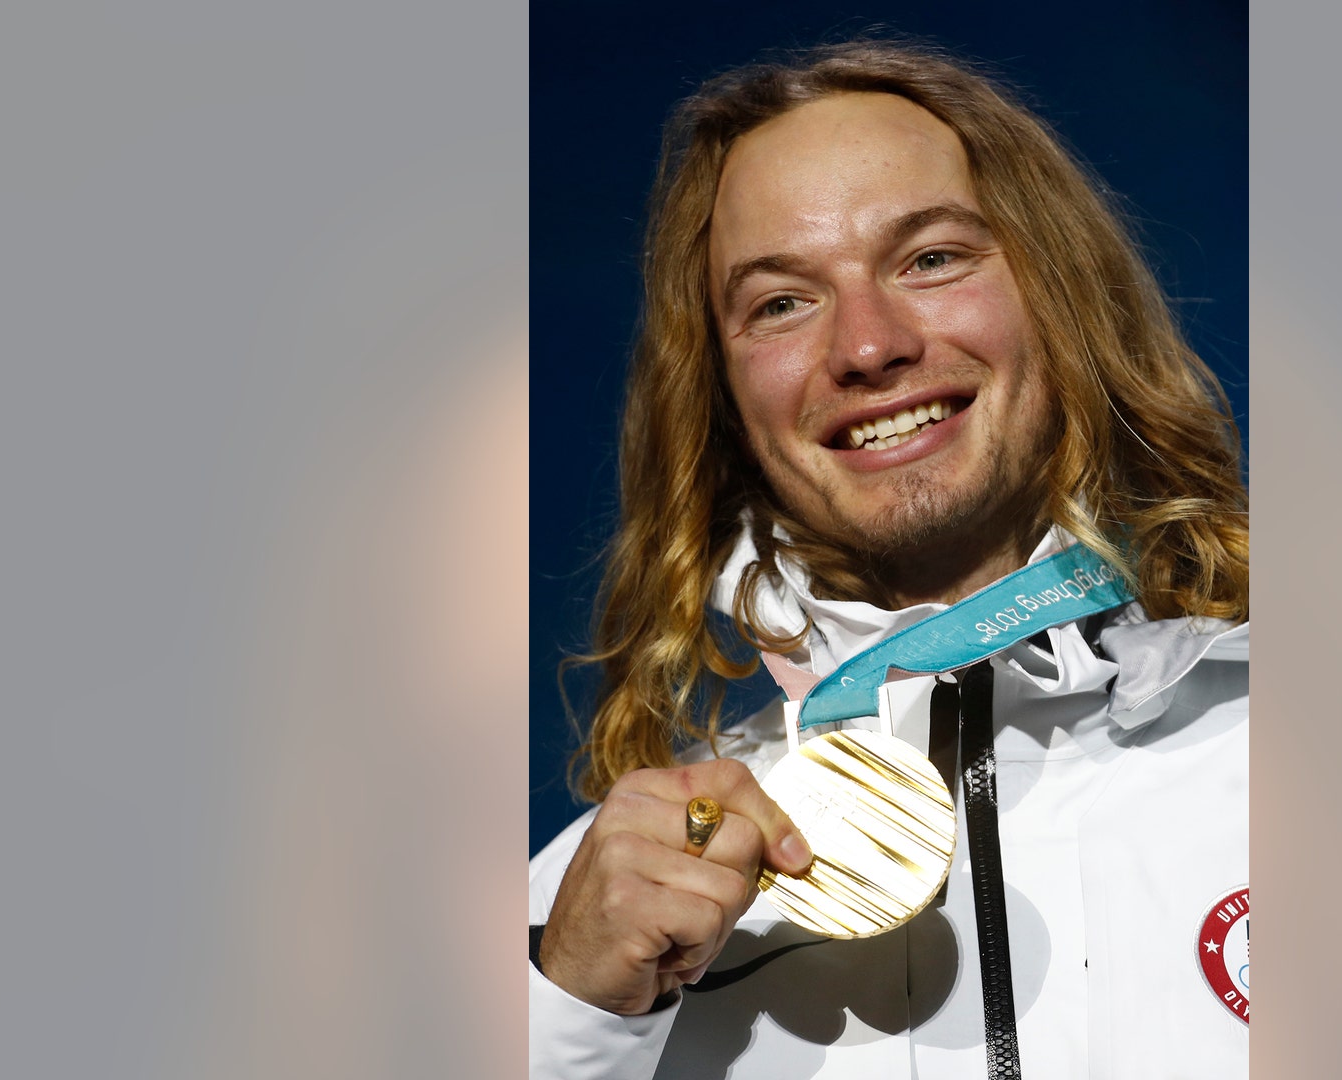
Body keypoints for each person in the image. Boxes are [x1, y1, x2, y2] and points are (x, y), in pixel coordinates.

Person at [530, 39, 1249, 1078]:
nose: (867, 346)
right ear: (722, 402)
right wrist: (566, 1021)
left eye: (931, 258)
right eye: (781, 302)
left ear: (1063, 296)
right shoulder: (609, 912)